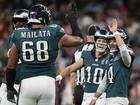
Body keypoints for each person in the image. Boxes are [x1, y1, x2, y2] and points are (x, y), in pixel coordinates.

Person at [6, 4, 84, 105]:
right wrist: (72, 20)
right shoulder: (54, 31)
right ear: (45, 18)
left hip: (27, 83)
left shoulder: (19, 34)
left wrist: (10, 89)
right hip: (48, 83)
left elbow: (11, 65)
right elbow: (79, 40)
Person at [56, 29, 110, 105]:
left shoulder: (110, 58)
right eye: (99, 41)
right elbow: (71, 68)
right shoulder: (87, 55)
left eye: (104, 41)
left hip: (101, 96)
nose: (101, 43)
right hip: (86, 95)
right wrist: (60, 75)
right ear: (95, 42)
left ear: (107, 43)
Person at [89, 18, 135, 105]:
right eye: (110, 40)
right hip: (108, 99)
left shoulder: (128, 52)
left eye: (114, 40)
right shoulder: (109, 58)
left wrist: (116, 33)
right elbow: (105, 81)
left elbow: (125, 53)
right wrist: (94, 98)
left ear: (123, 40)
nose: (111, 43)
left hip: (119, 99)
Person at [0, 9, 29, 105]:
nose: (17, 24)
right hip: (11, 81)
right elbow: (10, 64)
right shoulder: (11, 38)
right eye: (15, 21)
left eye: (21, 21)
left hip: (25, 83)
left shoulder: (32, 39)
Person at [70, 24, 100, 105]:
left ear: (87, 36)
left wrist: (74, 94)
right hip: (92, 90)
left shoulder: (77, 52)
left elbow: (73, 75)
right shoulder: (98, 51)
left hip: (79, 90)